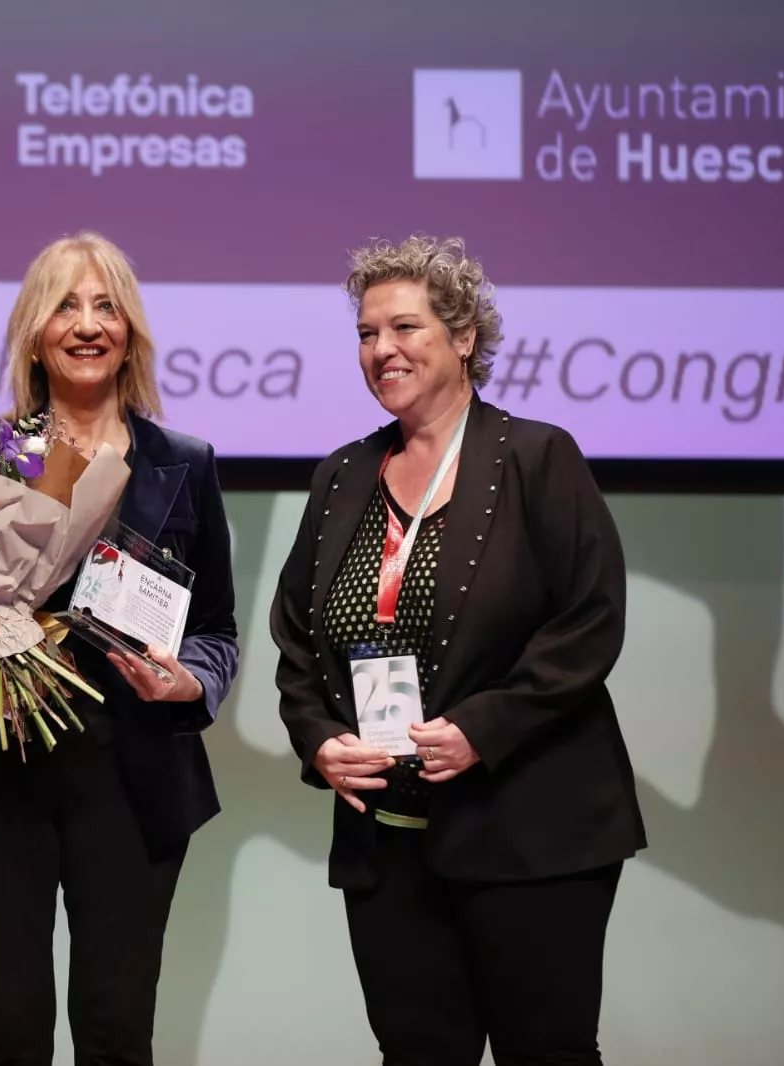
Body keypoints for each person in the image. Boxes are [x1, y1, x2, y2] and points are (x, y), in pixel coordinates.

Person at [270, 235, 646, 1066]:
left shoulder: (537, 458)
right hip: (387, 838)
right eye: (367, 334)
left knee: (542, 1049)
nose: (381, 350)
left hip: (529, 830)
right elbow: (296, 640)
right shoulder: (340, 476)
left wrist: (484, 725)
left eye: (404, 328)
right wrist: (319, 739)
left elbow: (589, 619)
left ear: (465, 335)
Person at [0, 231, 239, 1066]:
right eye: (65, 305)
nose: (87, 325)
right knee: (8, 1037)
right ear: (33, 333)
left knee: (116, 1033)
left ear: (130, 332)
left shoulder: (183, 465)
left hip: (132, 777)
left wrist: (188, 683)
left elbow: (216, 630)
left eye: (106, 305)